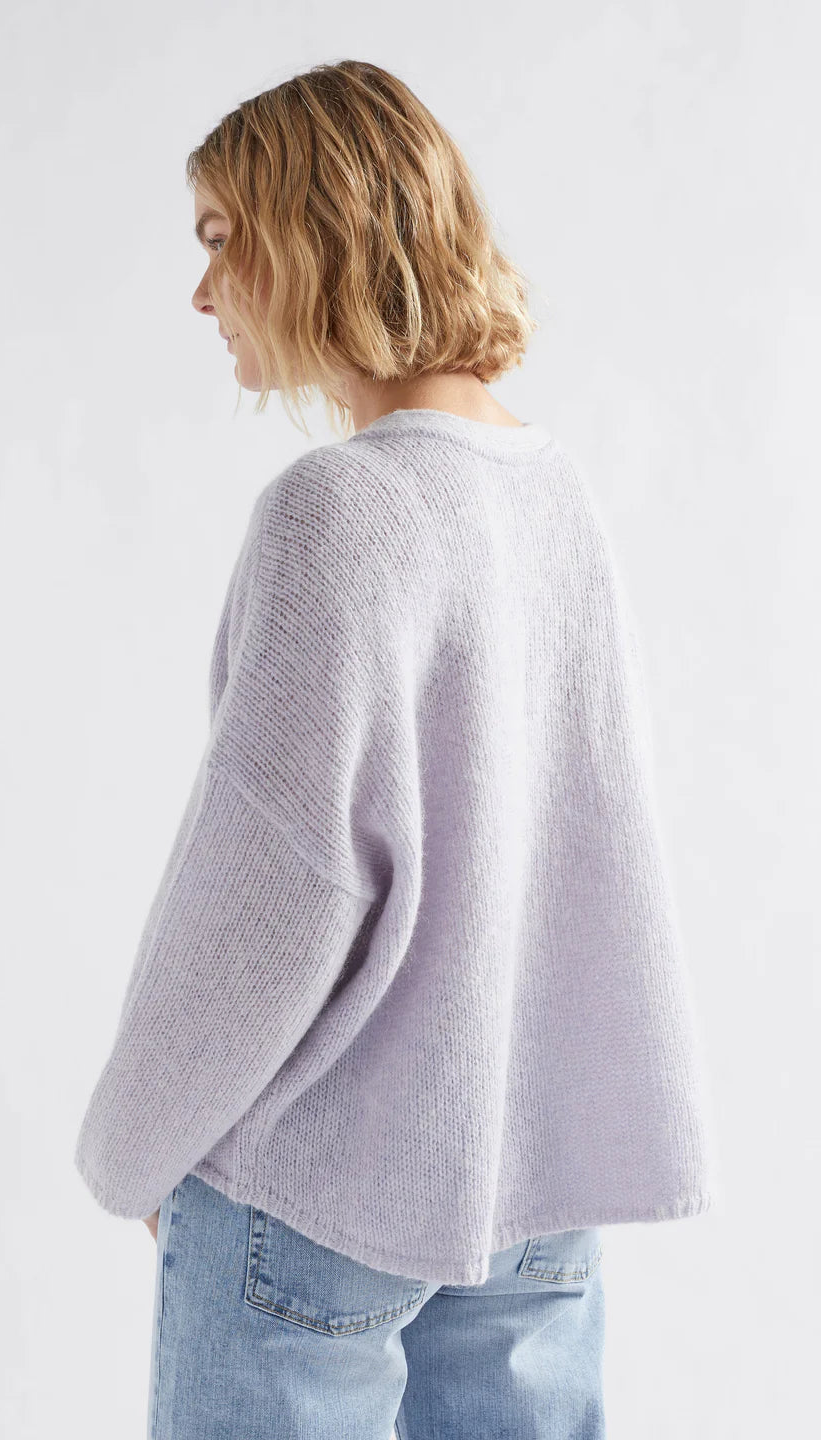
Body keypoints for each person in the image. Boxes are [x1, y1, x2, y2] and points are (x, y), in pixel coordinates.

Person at [73, 59, 720, 1440]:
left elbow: (275, 887)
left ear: (312, 235)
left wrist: (134, 1147)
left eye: (221, 239)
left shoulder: (337, 511)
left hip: (316, 1191)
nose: (202, 293)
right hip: (533, 1179)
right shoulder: (556, 496)